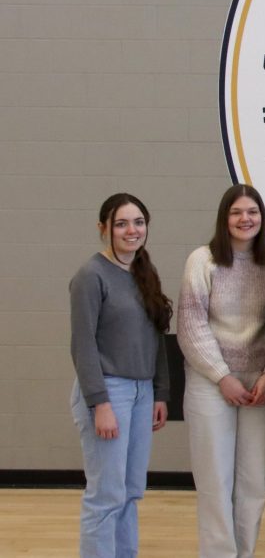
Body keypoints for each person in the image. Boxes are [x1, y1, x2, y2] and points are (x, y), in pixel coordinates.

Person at [178, 184, 265, 558]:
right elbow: (190, 324)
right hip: (211, 382)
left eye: (252, 212)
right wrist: (222, 376)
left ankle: (244, 552)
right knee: (214, 481)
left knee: (252, 481)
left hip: (259, 386)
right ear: (224, 218)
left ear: (261, 218)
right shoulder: (202, 261)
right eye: (236, 212)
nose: (245, 219)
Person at [69, 193, 172, 557]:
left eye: (139, 222)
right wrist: (100, 404)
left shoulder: (144, 273)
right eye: (122, 223)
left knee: (130, 492)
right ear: (104, 228)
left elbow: (156, 337)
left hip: (142, 393)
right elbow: (82, 345)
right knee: (106, 495)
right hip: (108, 393)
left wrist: (160, 392)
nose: (132, 230)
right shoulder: (90, 276)